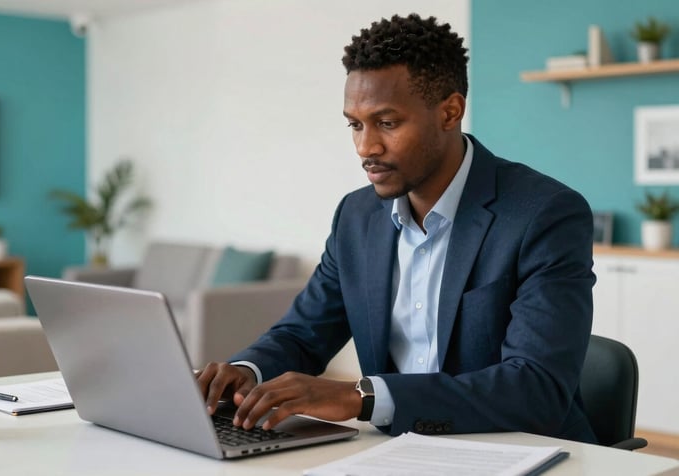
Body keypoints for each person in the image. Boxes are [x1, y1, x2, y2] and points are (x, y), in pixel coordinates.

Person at [197, 13, 597, 443]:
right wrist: (245, 371)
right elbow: (303, 333)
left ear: (450, 111)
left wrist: (363, 397)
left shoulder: (544, 214)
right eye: (355, 124)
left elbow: (537, 388)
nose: (366, 147)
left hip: (519, 449)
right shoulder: (356, 217)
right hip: (399, 452)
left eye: (387, 123)